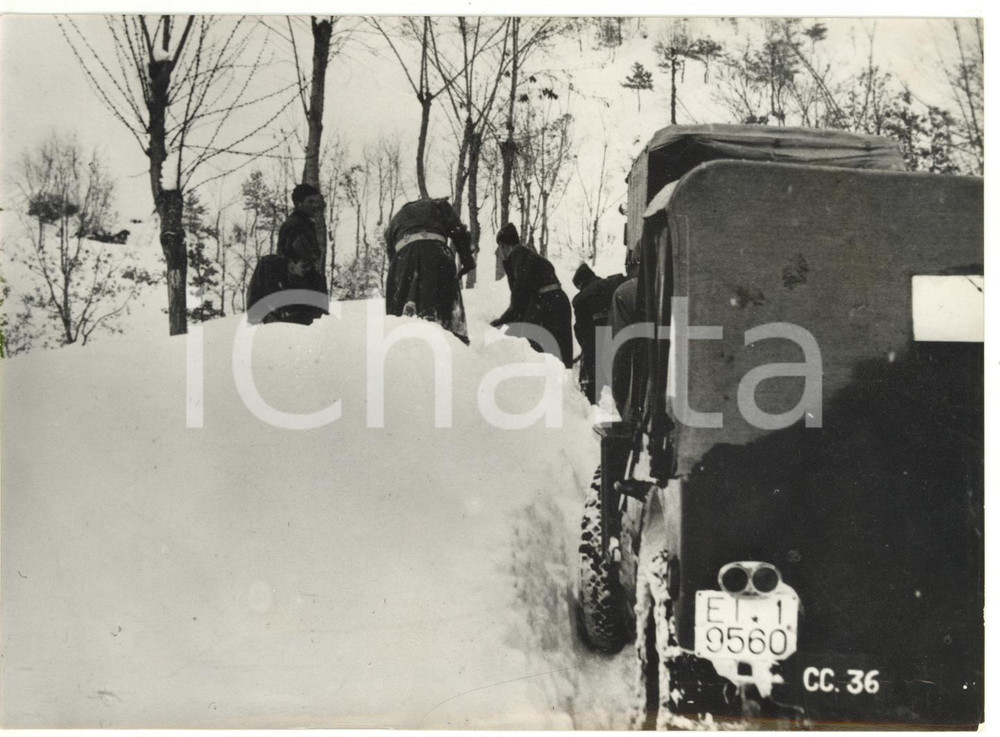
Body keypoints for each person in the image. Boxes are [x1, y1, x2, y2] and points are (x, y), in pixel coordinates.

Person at [384, 198, 477, 343]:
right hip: (437, 253)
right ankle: (454, 339)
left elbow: (392, 257)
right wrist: (467, 260)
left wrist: (401, 279)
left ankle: (402, 334)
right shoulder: (438, 206)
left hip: (404, 256)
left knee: (398, 315)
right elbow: (459, 232)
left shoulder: (396, 218)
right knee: (449, 313)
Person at [490, 223, 573, 367]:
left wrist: (501, 322)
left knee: (535, 350)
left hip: (546, 304)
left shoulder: (518, 254)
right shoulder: (530, 256)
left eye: (500, 248)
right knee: (561, 354)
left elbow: (518, 297)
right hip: (558, 300)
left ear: (503, 245)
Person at [250, 183, 328, 325]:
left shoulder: (303, 223)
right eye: (310, 201)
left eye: (315, 201)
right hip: (296, 286)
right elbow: (300, 256)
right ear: (299, 204)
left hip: (297, 285)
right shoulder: (296, 225)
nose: (314, 205)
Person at [571, 262, 628, 404]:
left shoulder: (579, 299)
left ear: (580, 283)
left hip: (597, 337)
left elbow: (581, 329)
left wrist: (585, 349)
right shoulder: (612, 283)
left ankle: (590, 403)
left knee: (592, 377)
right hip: (620, 331)